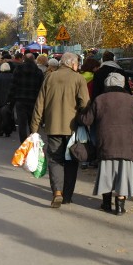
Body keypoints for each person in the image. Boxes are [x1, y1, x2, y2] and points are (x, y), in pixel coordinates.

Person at [79, 72, 133, 215]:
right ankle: (120, 207)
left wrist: (82, 110)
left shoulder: (100, 99)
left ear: (107, 84)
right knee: (123, 173)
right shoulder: (130, 100)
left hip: (106, 142)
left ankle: (106, 203)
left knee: (106, 173)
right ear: (122, 84)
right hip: (127, 143)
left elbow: (87, 120)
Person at [30, 52, 90, 208]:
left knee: (55, 160)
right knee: (71, 160)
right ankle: (67, 196)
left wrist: (34, 127)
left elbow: (40, 103)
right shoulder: (79, 79)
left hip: (53, 126)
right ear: (72, 63)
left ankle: (57, 192)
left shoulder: (50, 77)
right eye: (77, 63)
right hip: (73, 129)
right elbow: (85, 105)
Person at [9, 55, 45, 143]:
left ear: (24, 59)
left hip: (20, 100)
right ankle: (32, 142)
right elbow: (41, 87)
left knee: (22, 124)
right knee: (33, 123)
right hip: (34, 100)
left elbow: (13, 85)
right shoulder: (38, 71)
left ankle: (23, 143)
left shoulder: (18, 69)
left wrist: (10, 99)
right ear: (34, 60)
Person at [0, 62, 14, 137]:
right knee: (9, 115)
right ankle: (8, 130)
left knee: (0, 115)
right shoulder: (12, 76)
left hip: (0, 98)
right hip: (10, 99)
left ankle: (1, 129)